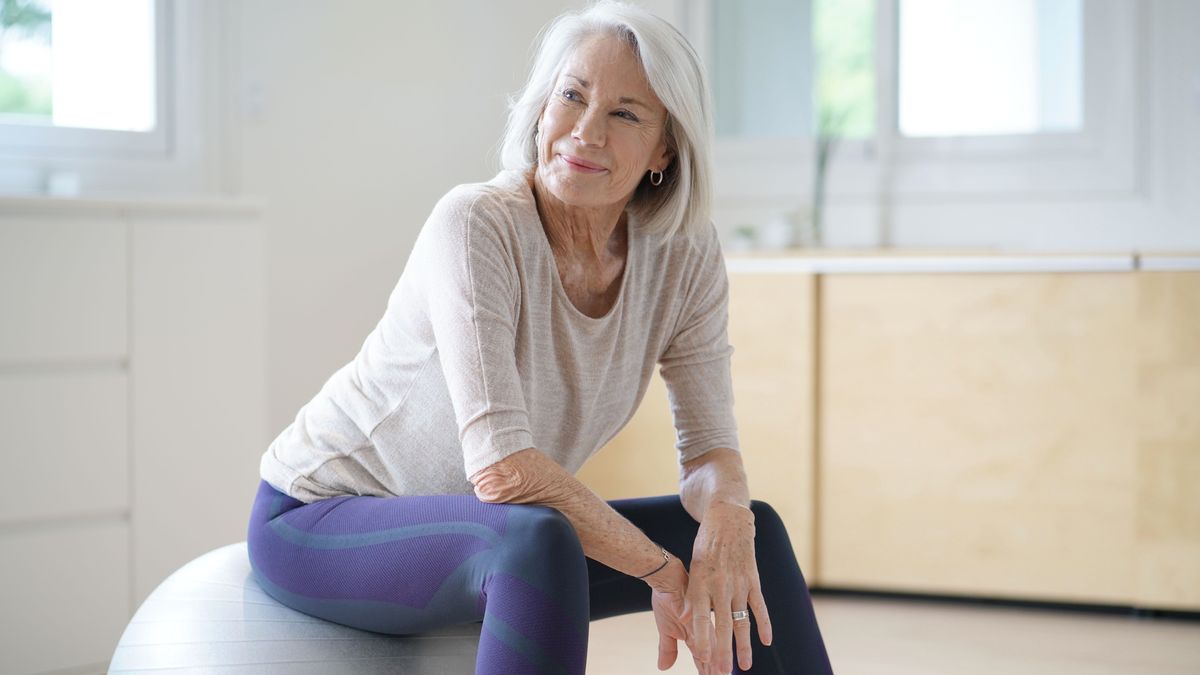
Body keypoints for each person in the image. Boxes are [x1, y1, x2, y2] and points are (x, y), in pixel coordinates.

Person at [246, 1, 833, 673]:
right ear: (540, 106)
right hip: (319, 518)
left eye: (624, 114)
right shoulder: (477, 224)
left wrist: (728, 513)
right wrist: (659, 570)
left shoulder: (684, 254)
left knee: (752, 529)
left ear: (665, 147)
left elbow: (707, 452)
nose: (585, 132)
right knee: (538, 539)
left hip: (492, 531)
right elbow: (503, 471)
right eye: (572, 96)